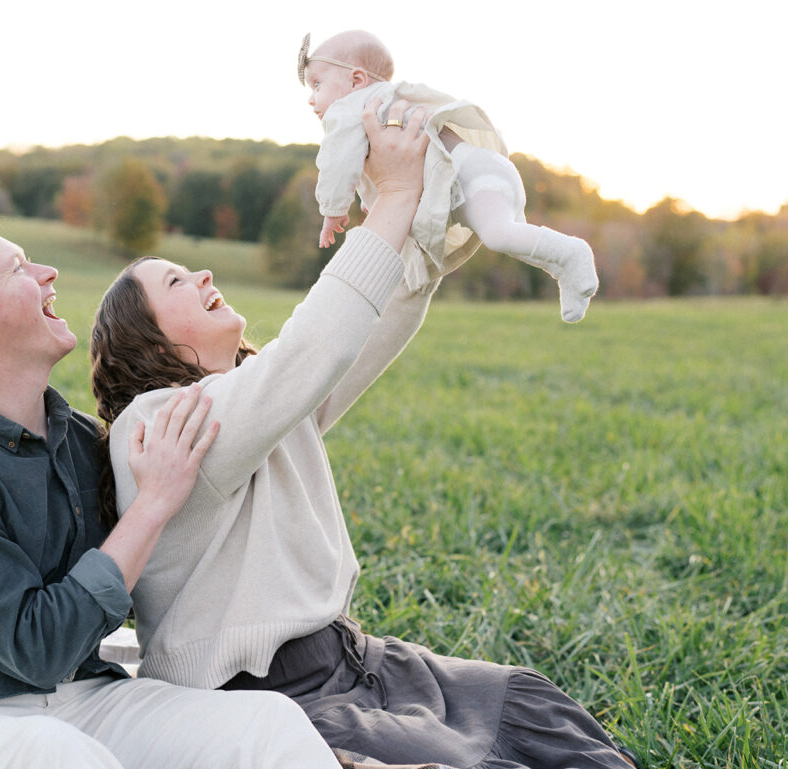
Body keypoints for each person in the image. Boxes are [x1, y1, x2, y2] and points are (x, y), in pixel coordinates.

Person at [90, 98, 637, 769]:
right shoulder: (153, 425)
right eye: (176, 280)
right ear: (147, 340)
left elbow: (358, 338)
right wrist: (396, 198)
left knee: (527, 706)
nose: (203, 274)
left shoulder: (258, 403)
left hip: (356, 659)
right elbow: (313, 347)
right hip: (267, 702)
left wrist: (424, 231)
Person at [0, 212, 345, 769]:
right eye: (19, 269)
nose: (48, 272)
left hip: (87, 694)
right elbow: (38, 650)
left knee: (265, 724)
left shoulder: (82, 442)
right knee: (54, 753)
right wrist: (152, 504)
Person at [300, 30, 599, 324]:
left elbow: (337, 160)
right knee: (512, 238)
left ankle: (573, 253)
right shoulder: (383, 104)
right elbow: (384, 166)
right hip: (482, 172)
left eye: (317, 84)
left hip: (471, 176)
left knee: (499, 235)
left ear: (356, 80)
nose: (312, 99)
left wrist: (333, 209)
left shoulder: (350, 108)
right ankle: (564, 271)